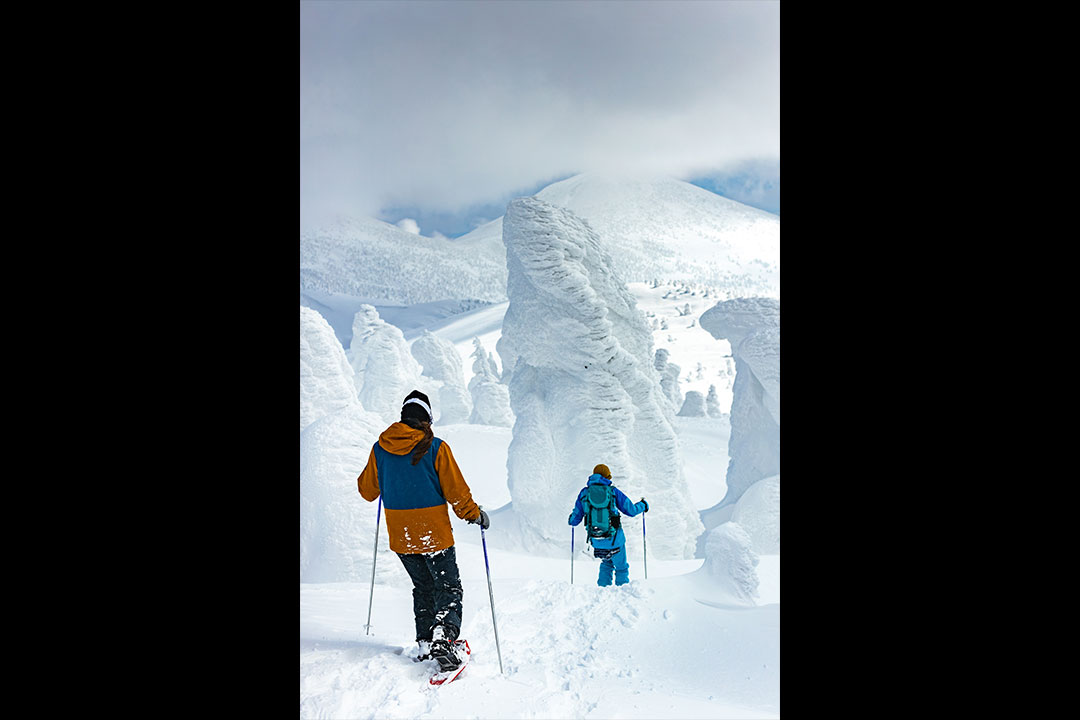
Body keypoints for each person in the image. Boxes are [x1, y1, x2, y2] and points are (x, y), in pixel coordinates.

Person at [357, 390, 490, 671]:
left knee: (424, 587)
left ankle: (426, 642)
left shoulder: (381, 448)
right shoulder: (436, 447)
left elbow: (367, 491)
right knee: (448, 587)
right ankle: (444, 637)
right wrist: (474, 514)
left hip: (401, 536)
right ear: (427, 419)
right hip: (434, 533)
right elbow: (457, 492)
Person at [568, 464, 648, 587]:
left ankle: (602, 591)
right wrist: (643, 505)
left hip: (596, 539)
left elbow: (575, 518)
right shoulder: (613, 492)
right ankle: (623, 592)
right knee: (621, 568)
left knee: (606, 564)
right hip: (615, 539)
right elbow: (631, 510)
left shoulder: (584, 493)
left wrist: (571, 520)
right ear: (607, 476)